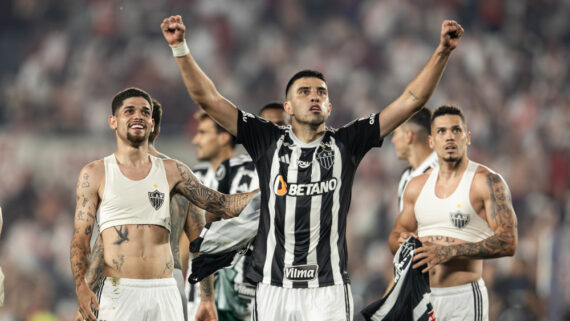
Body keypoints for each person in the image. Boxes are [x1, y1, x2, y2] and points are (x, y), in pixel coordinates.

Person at [161, 15, 463, 320]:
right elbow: (208, 99)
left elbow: (410, 101)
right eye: (304, 92)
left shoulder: (348, 142)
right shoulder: (267, 140)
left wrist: (442, 52)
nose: (314, 96)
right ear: (288, 108)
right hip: (273, 287)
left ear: (329, 107)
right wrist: (179, 47)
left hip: (327, 290)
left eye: (321, 92)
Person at [70, 87, 258, 321]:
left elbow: (222, 206)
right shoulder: (95, 173)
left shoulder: (174, 172)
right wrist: (82, 288)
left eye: (144, 112)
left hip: (165, 291)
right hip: (118, 290)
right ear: (113, 121)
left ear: (152, 123)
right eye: (129, 111)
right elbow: (83, 240)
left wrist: (272, 187)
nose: (138, 115)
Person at [388, 105, 518, 320]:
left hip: (463, 298)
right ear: (431, 141)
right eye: (441, 131)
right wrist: (403, 244)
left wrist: (448, 251)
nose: (449, 137)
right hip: (422, 296)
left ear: (467, 137)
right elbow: (395, 237)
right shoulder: (416, 185)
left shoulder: (486, 181)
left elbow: (508, 241)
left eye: (456, 130)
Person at [186, 110, 259, 321]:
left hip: (241, 294)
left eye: (202, 133)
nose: (195, 140)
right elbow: (186, 241)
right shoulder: (193, 179)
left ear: (224, 137)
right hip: (197, 294)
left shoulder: (251, 177)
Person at [391, 107, 438, 211]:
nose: (393, 140)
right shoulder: (405, 177)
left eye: (395, 133)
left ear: (408, 136)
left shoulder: (442, 174)